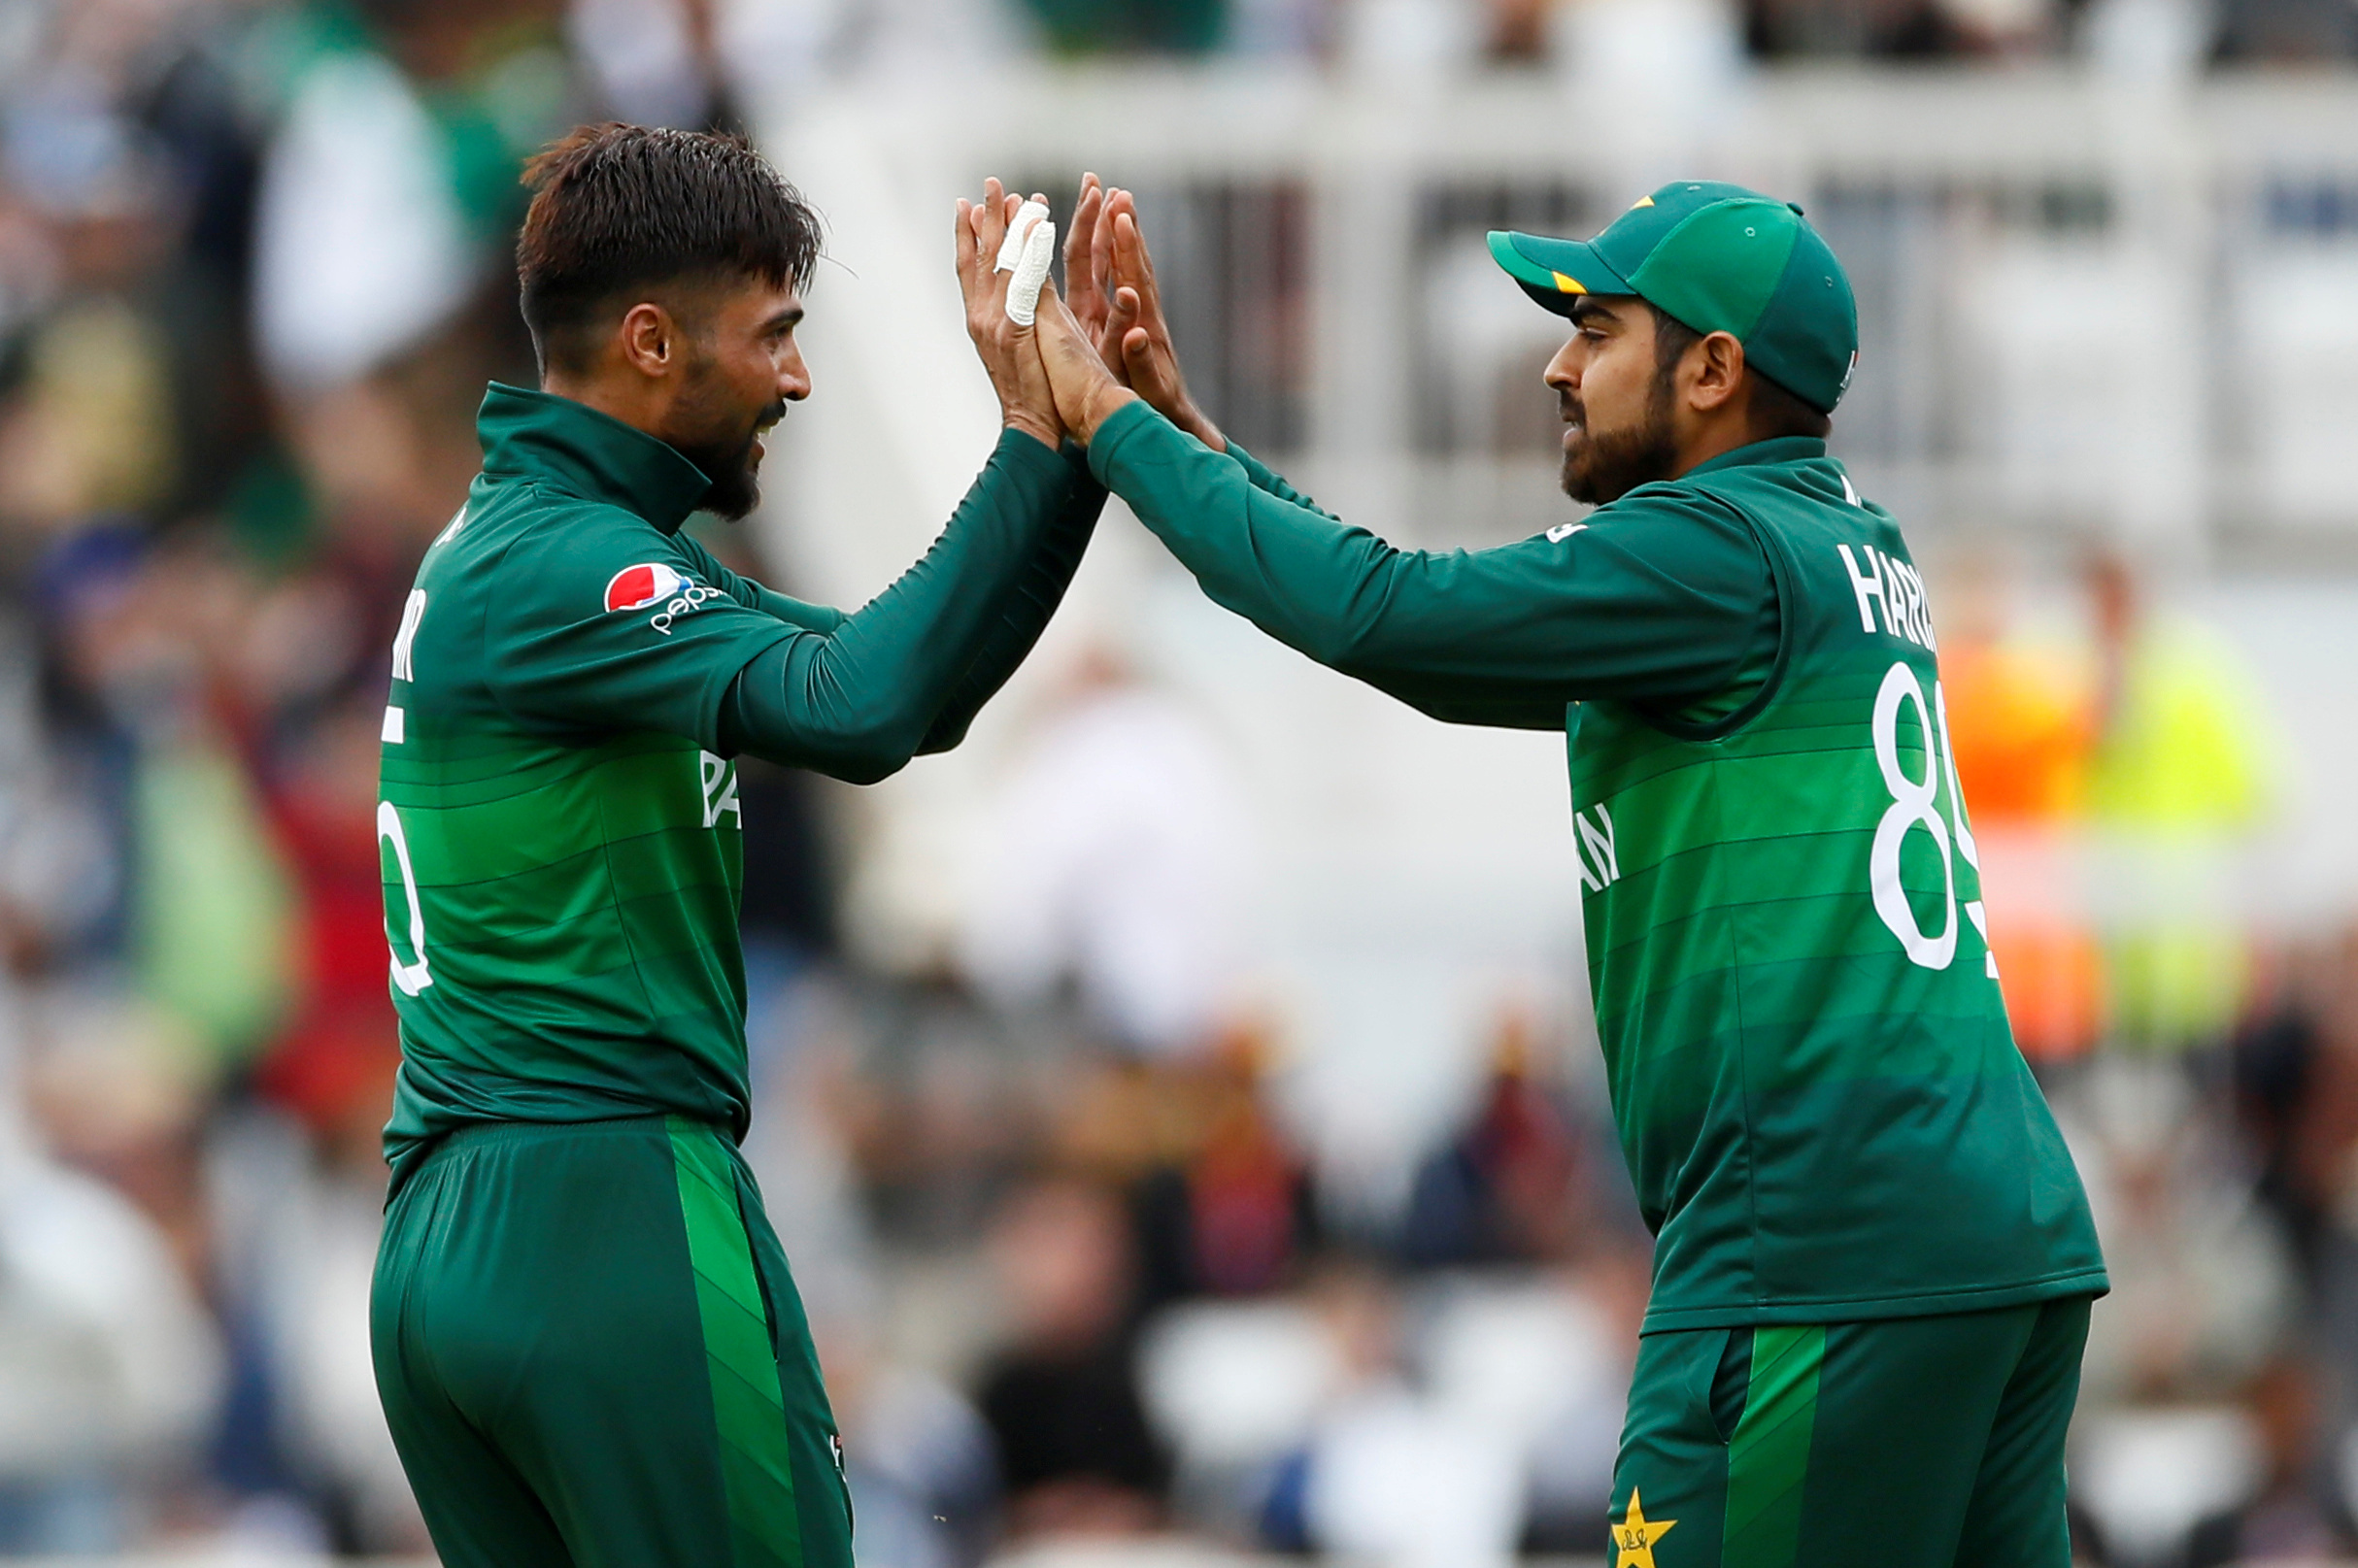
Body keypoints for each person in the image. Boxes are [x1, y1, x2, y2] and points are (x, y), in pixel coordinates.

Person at [1027, 179, 2107, 1566]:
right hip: (1994, 1222)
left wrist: (1112, 432)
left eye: (1596, 327)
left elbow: (1381, 614)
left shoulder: (1706, 556)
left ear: (1714, 369)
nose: (1555, 361)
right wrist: (1195, 441)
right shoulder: (1838, 543)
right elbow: (1401, 599)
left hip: (1820, 1234)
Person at [369, 123, 1102, 1568]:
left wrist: (1079, 454)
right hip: (606, 1205)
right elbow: (877, 700)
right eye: (773, 335)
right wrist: (1034, 432)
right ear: (652, 342)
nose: (798, 376)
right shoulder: (577, 567)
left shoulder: (528, 550)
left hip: (450, 1230)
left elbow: (908, 684)